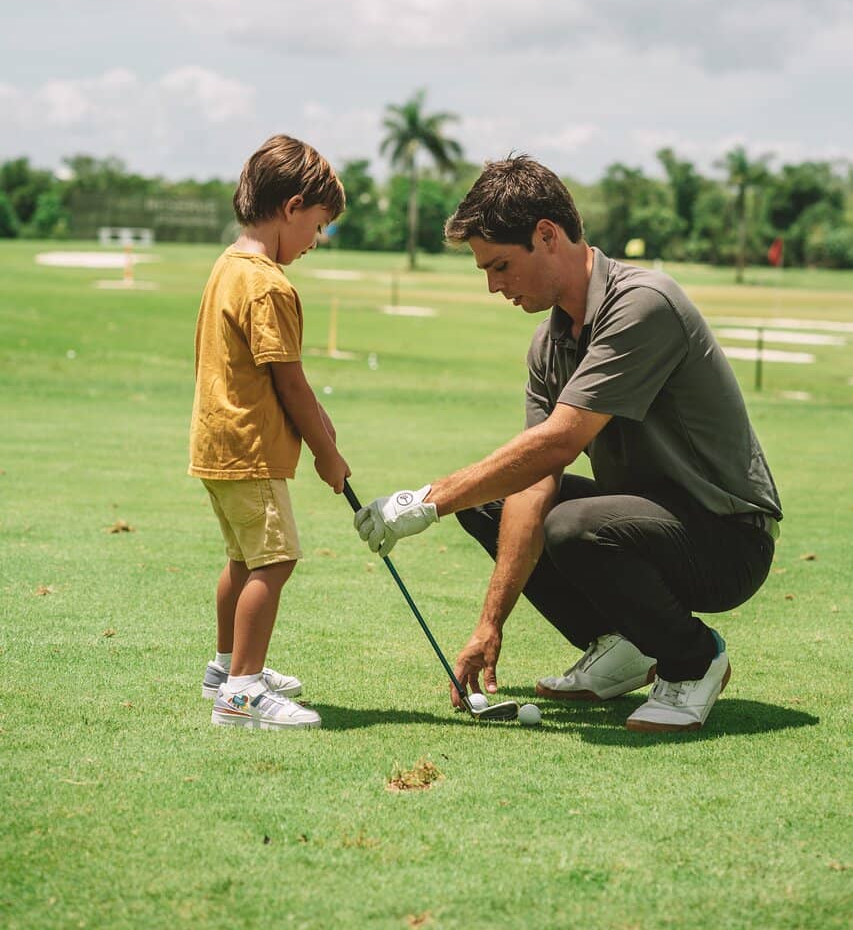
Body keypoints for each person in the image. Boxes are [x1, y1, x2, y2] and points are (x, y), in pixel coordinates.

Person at [353, 155, 781, 733]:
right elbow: (534, 479)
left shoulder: (642, 304)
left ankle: (693, 660)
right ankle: (627, 646)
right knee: (492, 502)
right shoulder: (549, 342)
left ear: (546, 235)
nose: (493, 285)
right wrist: (490, 624)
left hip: (728, 539)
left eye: (500, 265)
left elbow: (558, 443)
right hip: (644, 522)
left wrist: (425, 500)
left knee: (572, 525)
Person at [189, 134, 349, 731]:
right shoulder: (269, 284)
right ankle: (242, 692)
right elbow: (291, 385)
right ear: (292, 207)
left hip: (217, 444)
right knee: (274, 562)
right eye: (318, 224)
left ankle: (225, 667)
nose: (316, 240)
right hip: (252, 450)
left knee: (242, 557)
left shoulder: (229, 265)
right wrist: (327, 454)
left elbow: (280, 377)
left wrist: (319, 424)